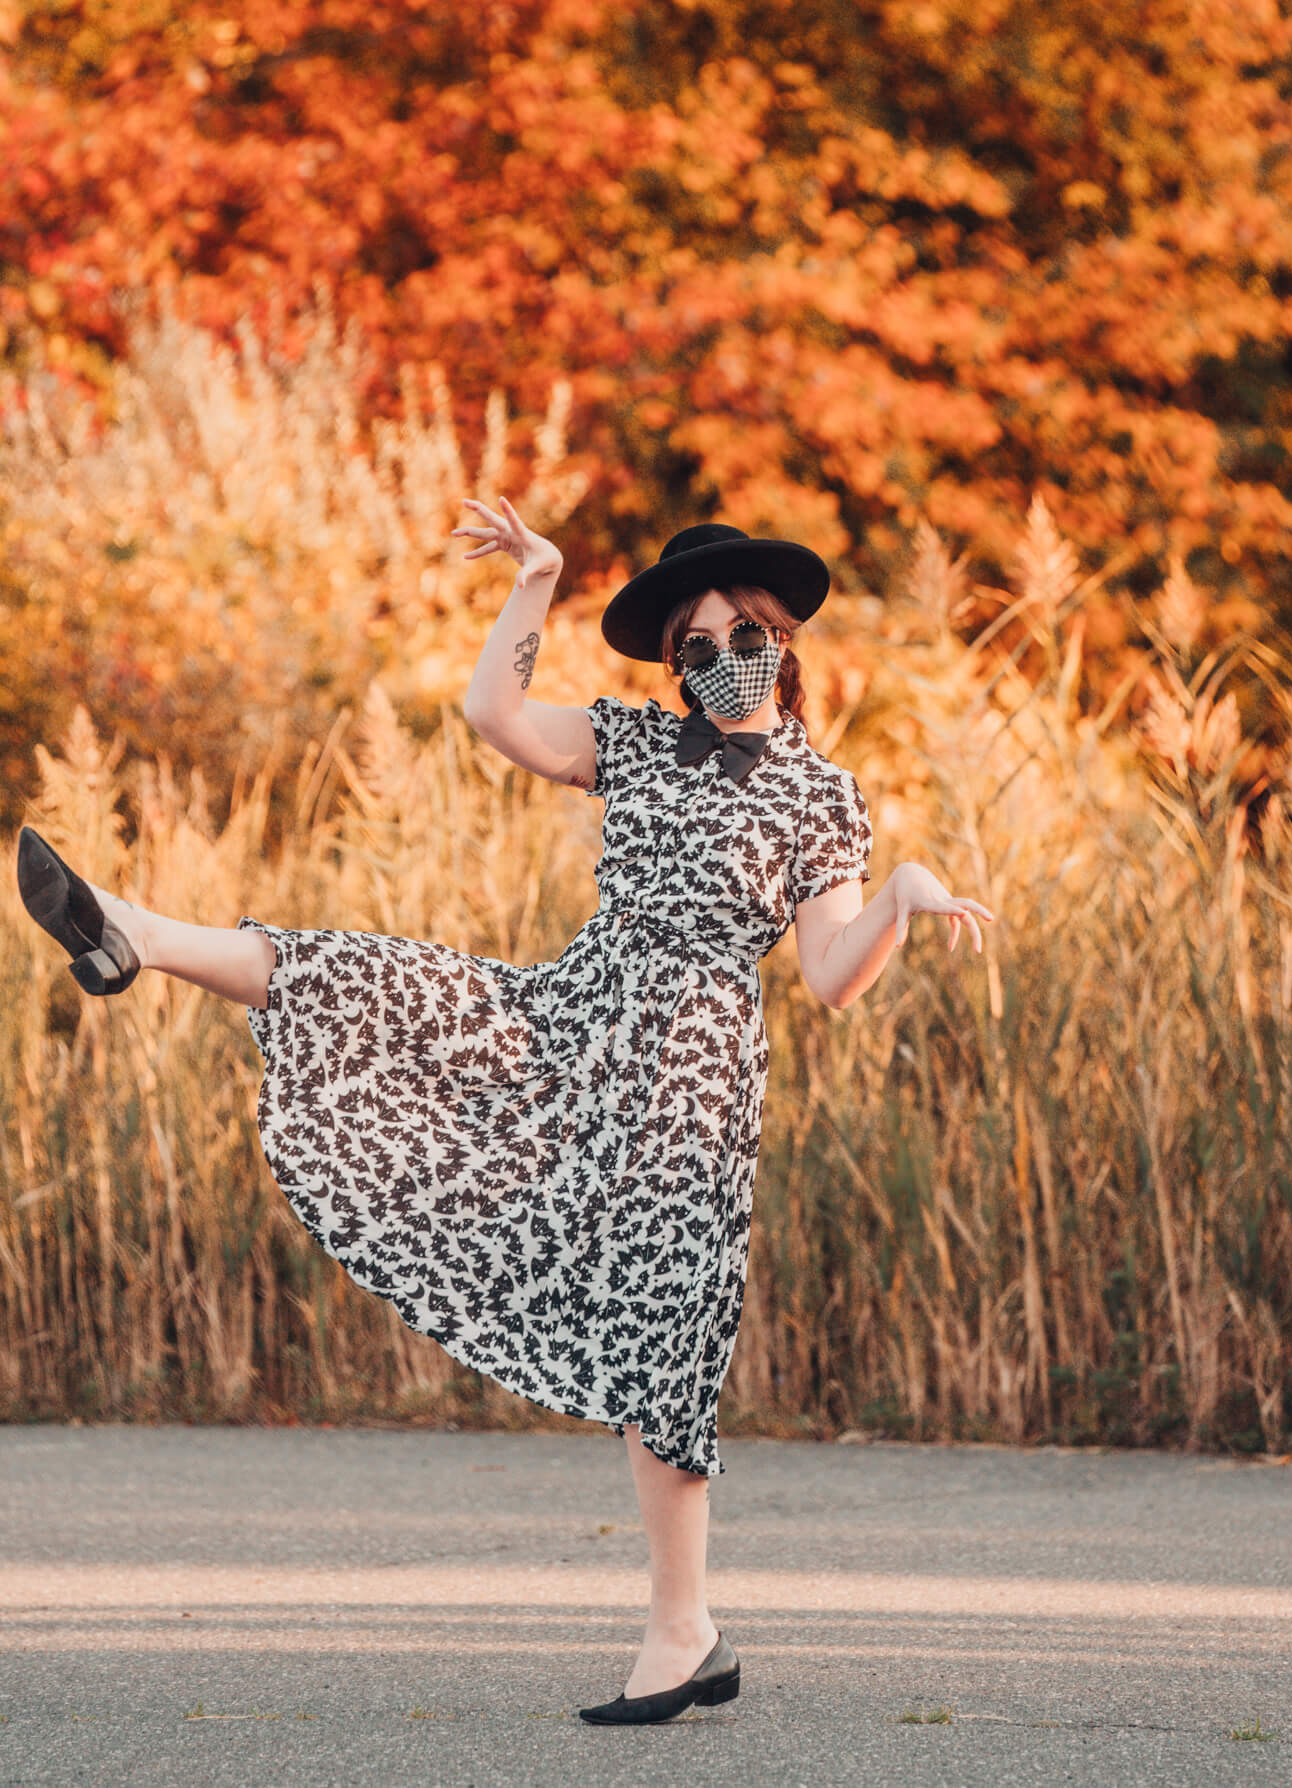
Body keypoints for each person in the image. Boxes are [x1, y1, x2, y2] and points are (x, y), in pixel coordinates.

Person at [16, 499, 993, 1727]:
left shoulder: (820, 799)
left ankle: (683, 1631)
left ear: (781, 635)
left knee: (664, 1349)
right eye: (690, 644)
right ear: (671, 663)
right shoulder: (634, 745)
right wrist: (534, 579)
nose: (714, 655)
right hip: (577, 1013)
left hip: (689, 1084)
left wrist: (898, 895)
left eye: (736, 631)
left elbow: (829, 983)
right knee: (376, 977)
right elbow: (493, 716)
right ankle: (131, 934)